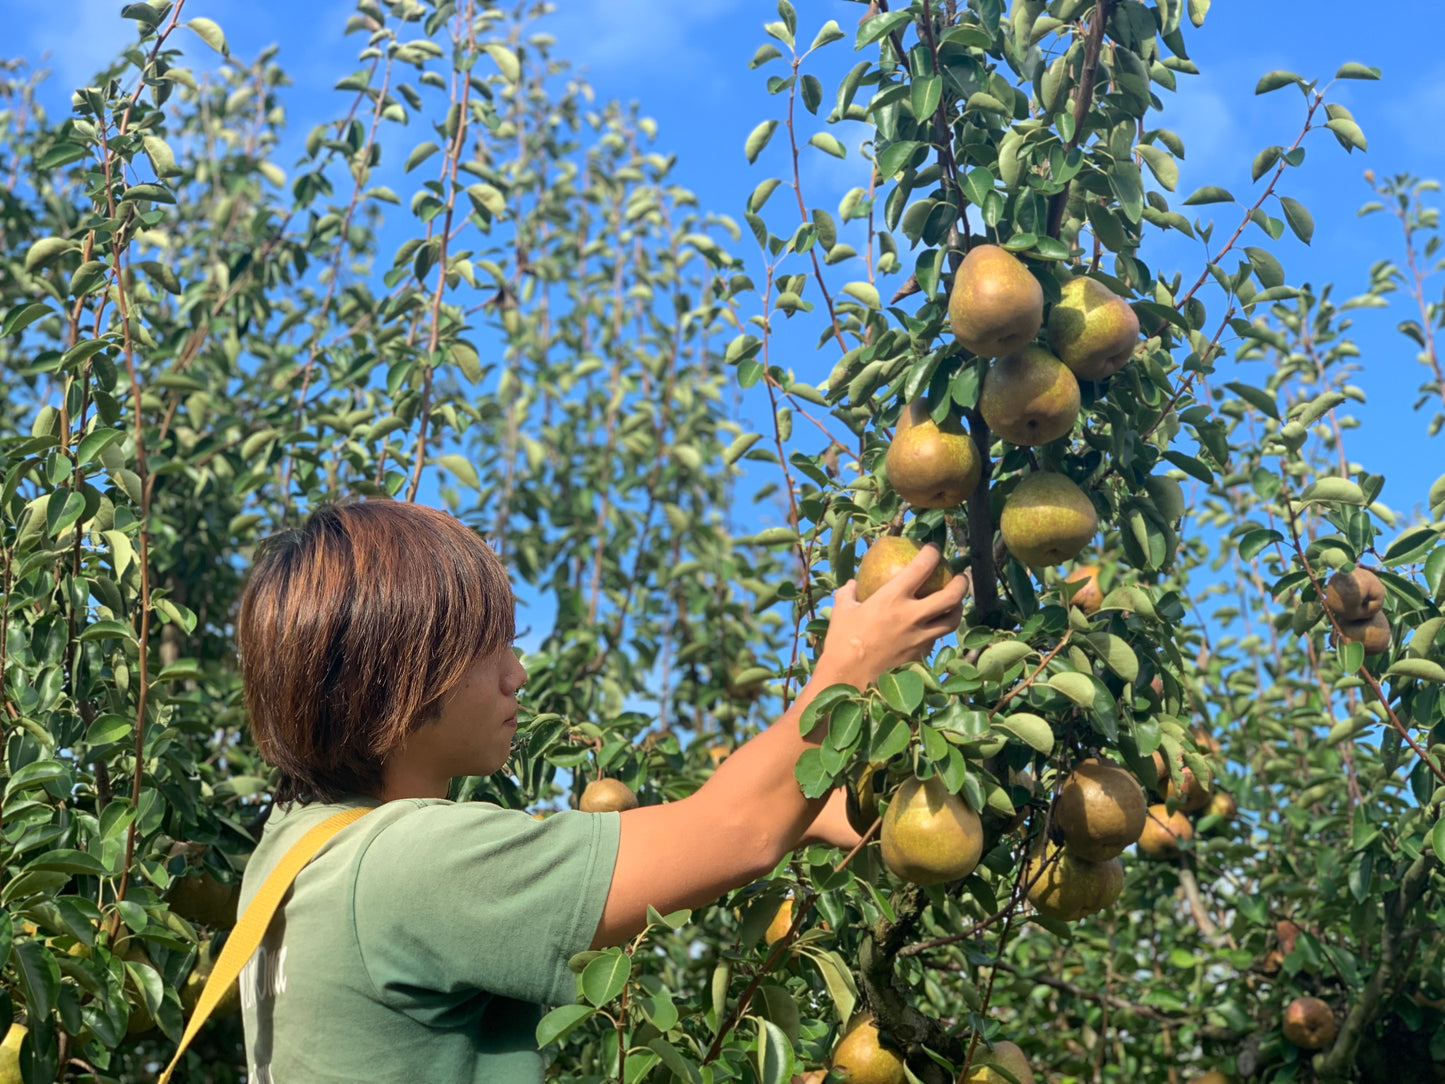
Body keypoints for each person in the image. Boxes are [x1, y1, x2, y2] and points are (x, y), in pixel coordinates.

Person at [232, 499, 967, 1083]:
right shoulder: (410, 866)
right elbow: (736, 829)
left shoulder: (295, 847)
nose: (516, 674)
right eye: (490, 649)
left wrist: (801, 816)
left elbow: (688, 834)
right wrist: (852, 666)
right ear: (395, 674)